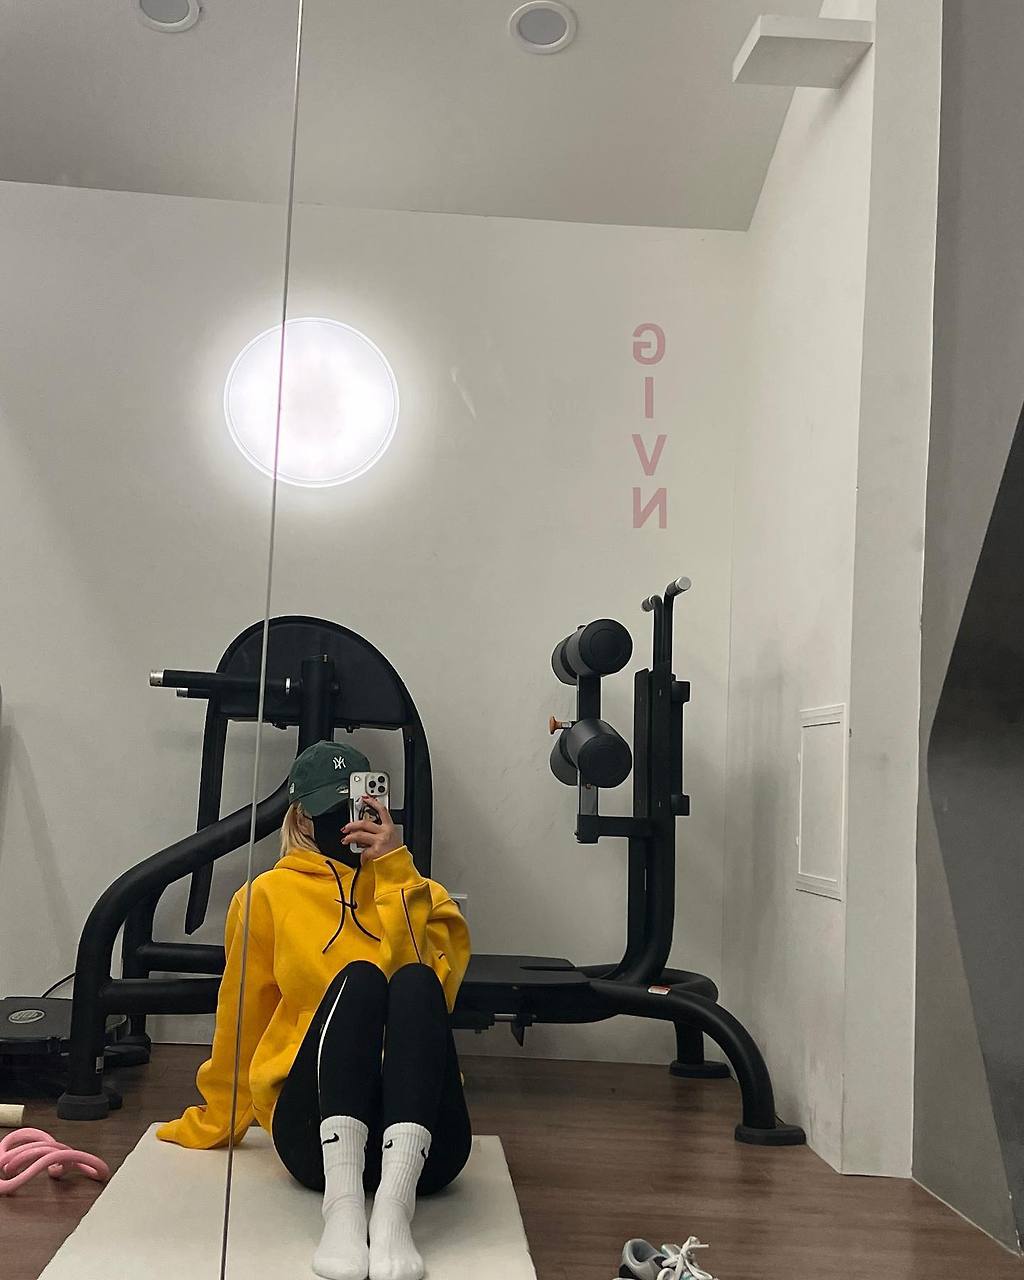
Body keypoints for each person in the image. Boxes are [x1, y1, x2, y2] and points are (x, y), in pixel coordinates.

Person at [158, 740, 472, 1280]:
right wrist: (219, 1117)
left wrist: (394, 874)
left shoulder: (422, 893)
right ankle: (343, 1210)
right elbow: (243, 1015)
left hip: (423, 1144)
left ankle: (394, 1210)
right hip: (316, 1137)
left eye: (353, 807)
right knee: (359, 980)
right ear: (302, 818)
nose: (343, 823)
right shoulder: (266, 897)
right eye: (328, 811)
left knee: (414, 980)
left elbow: (435, 1002)